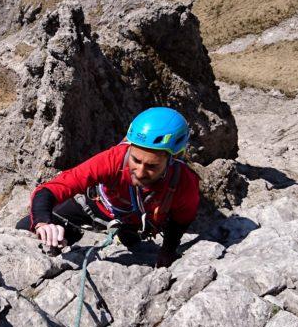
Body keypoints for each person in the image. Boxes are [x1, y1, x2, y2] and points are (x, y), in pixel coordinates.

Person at [17, 107, 200, 268]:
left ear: (172, 160)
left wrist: (167, 251)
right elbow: (51, 189)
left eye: (152, 166)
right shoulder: (113, 159)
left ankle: (126, 236)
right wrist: (43, 222)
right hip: (94, 208)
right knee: (25, 227)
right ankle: (70, 232)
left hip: (135, 226)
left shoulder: (183, 184)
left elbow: (180, 222)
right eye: (135, 160)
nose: (140, 171)